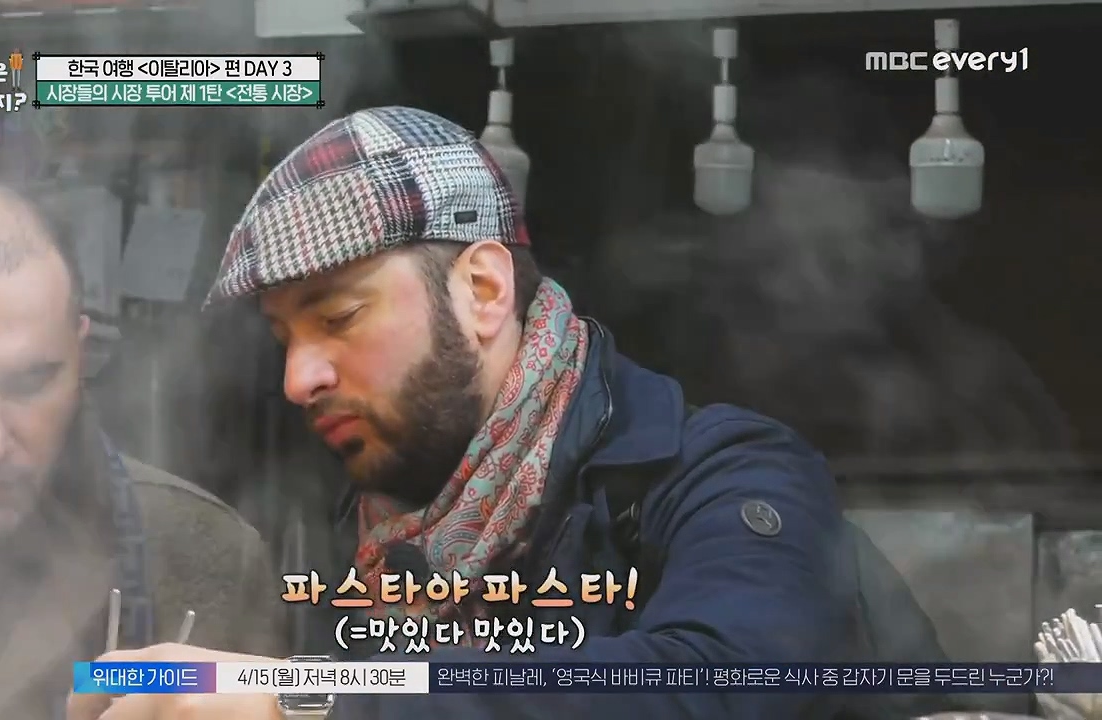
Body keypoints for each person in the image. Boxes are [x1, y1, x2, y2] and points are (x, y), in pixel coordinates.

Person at [68, 106, 930, 720]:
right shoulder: (371, 541)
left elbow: (714, 683)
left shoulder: (720, 474)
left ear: (483, 290)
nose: (300, 377)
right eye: (284, 337)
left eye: (338, 317)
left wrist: (301, 700)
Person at [0, 178, 285, 720]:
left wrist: (287, 705)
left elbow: (336, 693)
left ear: (79, 359)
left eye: (31, 382)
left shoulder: (204, 557)